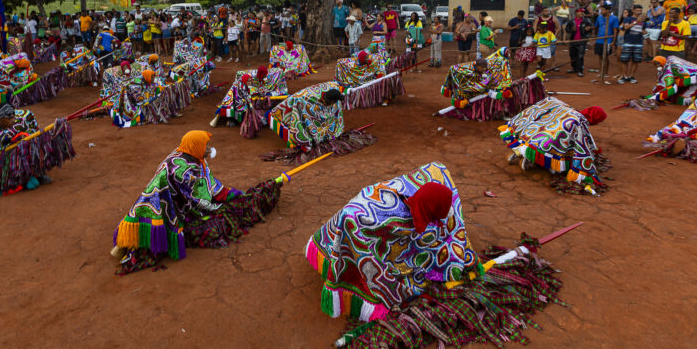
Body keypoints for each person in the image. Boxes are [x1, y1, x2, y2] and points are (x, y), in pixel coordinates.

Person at [305, 161, 479, 319]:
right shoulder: (374, 220)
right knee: (356, 245)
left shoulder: (422, 193)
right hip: (355, 218)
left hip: (359, 214)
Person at [111, 130, 280, 274]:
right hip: (167, 210)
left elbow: (209, 185)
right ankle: (133, 245)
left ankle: (127, 244)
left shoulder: (185, 155)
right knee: (218, 223)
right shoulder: (185, 170)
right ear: (196, 146)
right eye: (205, 146)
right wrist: (228, 199)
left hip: (159, 205)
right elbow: (200, 198)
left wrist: (230, 193)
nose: (208, 149)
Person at [501, 99, 608, 193]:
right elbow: (582, 145)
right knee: (560, 150)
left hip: (533, 132)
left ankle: (521, 151)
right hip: (547, 142)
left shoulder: (568, 110)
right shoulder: (578, 121)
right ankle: (530, 158)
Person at [648, 81, 697, 163]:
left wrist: (694, 129)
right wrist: (687, 125)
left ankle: (692, 147)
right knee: (679, 125)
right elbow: (691, 113)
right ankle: (673, 141)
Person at [268, 84, 346, 150]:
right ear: (332, 101)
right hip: (296, 100)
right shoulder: (306, 99)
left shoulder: (332, 92)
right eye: (335, 101)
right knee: (299, 117)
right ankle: (266, 118)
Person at [618, 4, 645, 84]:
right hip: (628, 42)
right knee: (624, 60)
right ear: (633, 10)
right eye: (637, 10)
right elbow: (626, 28)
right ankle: (624, 76)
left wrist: (644, 32)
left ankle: (631, 76)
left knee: (635, 60)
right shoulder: (628, 19)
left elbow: (643, 30)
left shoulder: (643, 21)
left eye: (640, 11)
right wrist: (636, 22)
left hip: (638, 42)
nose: (639, 12)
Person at [593, 2, 619, 78]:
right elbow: (596, 27)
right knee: (600, 57)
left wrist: (613, 41)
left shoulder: (614, 18)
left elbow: (615, 30)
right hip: (599, 40)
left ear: (608, 10)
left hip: (608, 40)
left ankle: (606, 73)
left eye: (603, 10)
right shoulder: (599, 18)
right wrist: (595, 36)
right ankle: (601, 72)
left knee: (606, 57)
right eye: (601, 10)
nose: (602, 11)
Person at [565, 9, 593, 77]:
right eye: (580, 12)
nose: (582, 13)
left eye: (583, 12)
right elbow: (567, 29)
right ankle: (574, 68)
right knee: (572, 55)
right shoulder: (571, 21)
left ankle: (580, 70)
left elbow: (591, 28)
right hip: (573, 41)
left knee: (580, 56)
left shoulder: (586, 20)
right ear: (576, 13)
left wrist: (589, 29)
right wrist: (572, 29)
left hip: (582, 41)